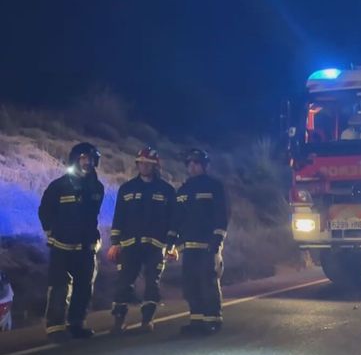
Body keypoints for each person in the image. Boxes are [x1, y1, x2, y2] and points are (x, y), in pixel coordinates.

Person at [38, 142, 105, 342]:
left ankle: (76, 324)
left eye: (91, 159)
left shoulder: (97, 187)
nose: (87, 162)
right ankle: (55, 328)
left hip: (86, 247)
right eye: (84, 158)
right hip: (62, 246)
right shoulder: (59, 186)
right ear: (75, 159)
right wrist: (51, 231)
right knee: (59, 286)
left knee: (84, 287)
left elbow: (92, 215)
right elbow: (45, 211)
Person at [107, 147, 176, 334]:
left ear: (155, 166)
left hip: (156, 246)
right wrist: (115, 242)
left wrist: (172, 245)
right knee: (124, 283)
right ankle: (118, 321)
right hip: (130, 245)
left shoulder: (167, 191)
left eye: (149, 164)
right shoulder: (127, 189)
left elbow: (173, 220)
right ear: (138, 164)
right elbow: (118, 217)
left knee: (152, 283)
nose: (144, 166)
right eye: (142, 163)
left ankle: (147, 320)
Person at [167, 149, 230, 335]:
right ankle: (196, 320)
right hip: (188, 246)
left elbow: (222, 214)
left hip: (208, 245)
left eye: (197, 163)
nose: (193, 167)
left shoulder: (214, 187)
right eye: (190, 163)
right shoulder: (183, 190)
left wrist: (217, 240)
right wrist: (171, 242)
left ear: (205, 165)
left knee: (208, 281)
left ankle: (213, 320)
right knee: (191, 284)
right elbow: (176, 219)